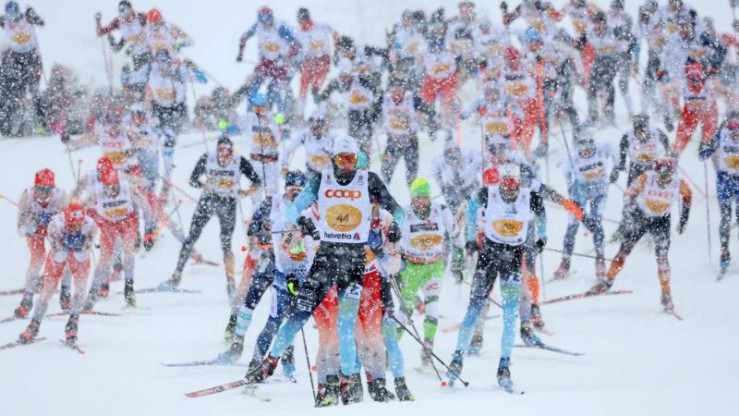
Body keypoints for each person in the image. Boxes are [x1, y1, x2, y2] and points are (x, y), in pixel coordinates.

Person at [244, 135, 404, 406]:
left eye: (351, 159)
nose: (346, 165)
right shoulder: (320, 180)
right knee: (299, 316)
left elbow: (397, 211)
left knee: (345, 327)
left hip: (353, 260)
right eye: (341, 159)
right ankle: (270, 362)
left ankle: (346, 381)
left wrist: (396, 225)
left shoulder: (369, 182)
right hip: (325, 259)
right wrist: (300, 224)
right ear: (333, 159)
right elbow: (292, 215)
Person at [447, 163, 545, 390]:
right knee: (473, 309)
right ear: (500, 182)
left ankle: (504, 366)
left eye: (512, 183)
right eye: (505, 183)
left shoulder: (528, 196)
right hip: (488, 257)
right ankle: (457, 358)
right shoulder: (487, 193)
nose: (508, 188)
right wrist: (470, 238)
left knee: (510, 314)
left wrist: (542, 237)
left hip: (512, 258)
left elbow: (541, 213)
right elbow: (471, 209)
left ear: (518, 182)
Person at [219, 171, 307, 372]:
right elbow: (253, 228)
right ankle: (237, 344)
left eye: (299, 190)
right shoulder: (272, 202)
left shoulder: (307, 208)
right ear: (286, 188)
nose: (295, 193)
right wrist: (264, 231)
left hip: (292, 264)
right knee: (251, 299)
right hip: (270, 258)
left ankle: (287, 355)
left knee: (287, 311)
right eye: (292, 189)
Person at [158, 135, 261, 296]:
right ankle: (176, 276)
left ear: (232, 151)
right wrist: (204, 184)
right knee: (191, 237)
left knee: (226, 243)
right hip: (208, 200)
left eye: (227, 152)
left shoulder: (239, 161)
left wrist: (245, 193)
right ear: (217, 150)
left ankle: (230, 283)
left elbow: (257, 181)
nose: (224, 155)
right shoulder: (208, 158)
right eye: (221, 151)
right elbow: (192, 180)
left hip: (228, 203)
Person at [587, 158, 691, 313]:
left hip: (662, 221)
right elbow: (629, 194)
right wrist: (630, 211)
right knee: (623, 251)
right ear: (655, 173)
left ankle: (666, 295)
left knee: (662, 258)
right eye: (660, 176)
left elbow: (688, 197)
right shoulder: (646, 177)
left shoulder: (678, 183)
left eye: (667, 176)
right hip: (641, 216)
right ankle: (607, 282)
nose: (663, 180)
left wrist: (683, 220)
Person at [398, 178, 460, 366]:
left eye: (425, 197)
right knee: (405, 311)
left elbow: (455, 233)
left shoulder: (440, 210)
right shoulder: (404, 213)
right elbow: (391, 240)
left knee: (432, 307)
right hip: (411, 267)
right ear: (412, 198)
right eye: (418, 198)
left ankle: (428, 347)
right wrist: (394, 263)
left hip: (433, 266)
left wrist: (459, 259)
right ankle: (391, 349)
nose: (422, 202)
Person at [18, 203, 97, 345]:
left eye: (78, 225)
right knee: (47, 290)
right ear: (66, 221)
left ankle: (73, 322)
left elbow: (86, 250)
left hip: (80, 256)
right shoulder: (55, 225)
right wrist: (68, 246)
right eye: (71, 225)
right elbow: (57, 253)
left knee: (80, 288)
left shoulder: (90, 225)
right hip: (59, 253)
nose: (75, 228)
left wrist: (80, 247)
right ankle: (34, 325)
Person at [553, 129, 618, 280]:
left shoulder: (603, 148)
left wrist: (616, 168)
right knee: (572, 226)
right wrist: (570, 185)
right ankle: (565, 262)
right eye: (583, 145)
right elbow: (566, 173)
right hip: (580, 191)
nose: (587, 149)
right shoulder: (572, 157)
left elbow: (615, 151)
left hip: (599, 190)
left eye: (589, 144)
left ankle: (600, 260)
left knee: (596, 221)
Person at [83, 167, 151, 309]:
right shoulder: (97, 192)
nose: (111, 191)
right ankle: (92, 294)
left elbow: (145, 206)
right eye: (108, 188)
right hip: (108, 223)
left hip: (127, 221)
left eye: (114, 187)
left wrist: (148, 229)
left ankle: (129, 290)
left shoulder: (127, 188)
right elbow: (81, 208)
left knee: (128, 252)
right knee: (104, 260)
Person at [14, 169, 68, 318]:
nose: (43, 194)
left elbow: (67, 224)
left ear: (53, 189)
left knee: (62, 258)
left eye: (47, 190)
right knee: (37, 259)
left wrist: (52, 224)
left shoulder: (61, 197)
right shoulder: (27, 196)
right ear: (35, 187)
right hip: (36, 232)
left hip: (54, 231)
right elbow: (20, 227)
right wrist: (32, 225)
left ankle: (65, 294)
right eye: (40, 190)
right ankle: (27, 299)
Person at [698, 107, 739, 274]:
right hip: (724, 180)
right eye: (732, 128)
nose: (735, 134)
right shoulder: (721, 133)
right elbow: (703, 155)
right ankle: (724, 253)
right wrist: (703, 147)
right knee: (726, 217)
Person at [238, 6, 300, 113]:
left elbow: (296, 45)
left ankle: (280, 116)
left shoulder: (280, 28)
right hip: (265, 62)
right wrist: (240, 54)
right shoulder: (258, 26)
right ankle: (250, 115)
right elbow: (244, 37)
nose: (265, 25)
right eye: (262, 21)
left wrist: (286, 57)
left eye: (267, 21)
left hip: (279, 64)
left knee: (274, 91)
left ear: (271, 18)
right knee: (253, 87)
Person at [0, 1, 44, 128]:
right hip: (16, 58)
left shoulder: (27, 18)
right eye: (9, 15)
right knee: (19, 91)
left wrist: (34, 15)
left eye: (14, 14)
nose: (12, 18)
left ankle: (42, 123)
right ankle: (18, 123)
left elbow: (41, 23)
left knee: (34, 91)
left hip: (31, 56)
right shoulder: (4, 21)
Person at [95, 1, 149, 103]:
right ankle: (141, 101)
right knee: (141, 80)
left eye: (126, 11)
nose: (125, 15)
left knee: (151, 78)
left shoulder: (141, 17)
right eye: (121, 12)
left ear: (131, 9)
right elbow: (101, 32)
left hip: (149, 52)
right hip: (136, 56)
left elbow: (155, 25)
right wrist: (98, 22)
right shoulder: (119, 22)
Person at [294, 8, 336, 113]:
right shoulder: (298, 31)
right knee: (303, 86)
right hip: (308, 61)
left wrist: (336, 51)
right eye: (299, 21)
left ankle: (323, 110)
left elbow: (335, 34)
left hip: (323, 59)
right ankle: (300, 113)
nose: (301, 23)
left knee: (315, 87)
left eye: (303, 20)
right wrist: (297, 60)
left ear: (307, 18)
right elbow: (295, 48)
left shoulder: (321, 26)